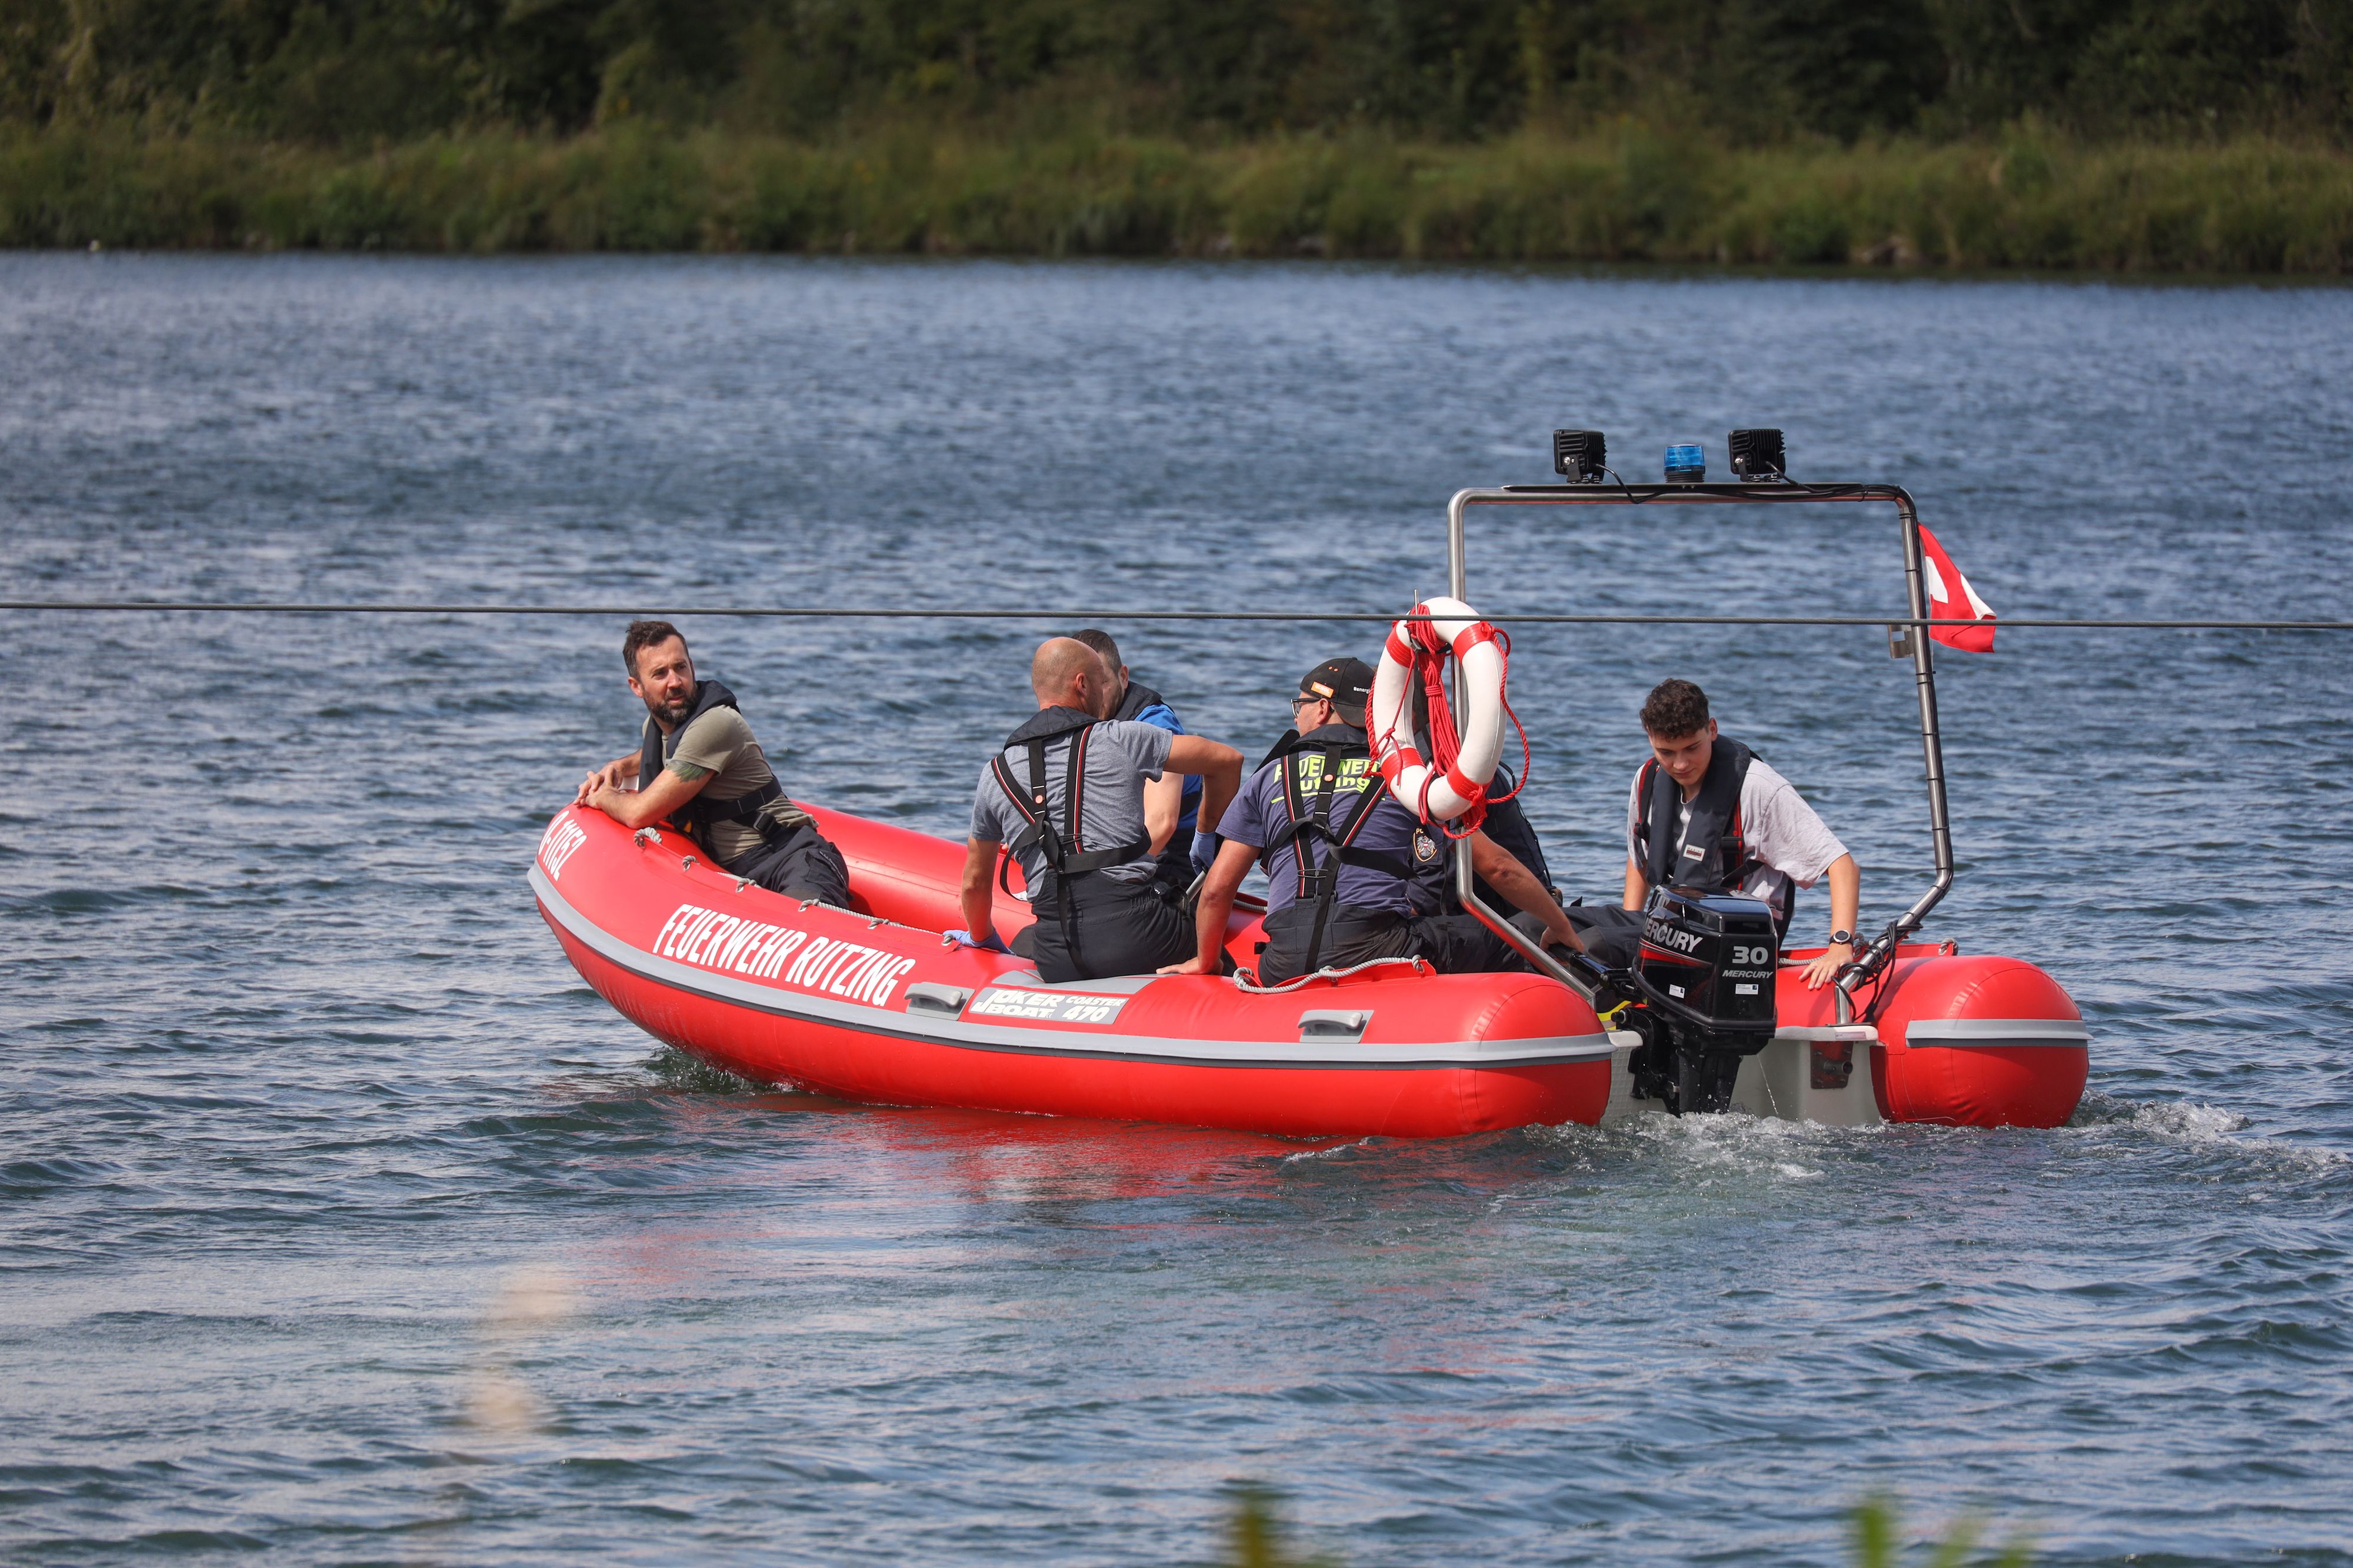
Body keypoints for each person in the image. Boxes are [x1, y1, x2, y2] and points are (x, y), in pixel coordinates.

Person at [1173, 657, 1582, 987]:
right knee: (1519, 930)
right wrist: (1560, 927)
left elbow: (1216, 891)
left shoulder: (1268, 777)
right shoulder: (1407, 780)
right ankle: (1559, 1016)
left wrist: (1205, 962)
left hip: (1282, 963)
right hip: (1377, 950)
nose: (1297, 717)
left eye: (1299, 706)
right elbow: (1498, 867)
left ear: (1322, 708)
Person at [959, 638, 1243, 983]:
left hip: (1056, 953)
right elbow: (1229, 760)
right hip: (1141, 937)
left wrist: (983, 939)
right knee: (1223, 972)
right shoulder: (1126, 737)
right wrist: (1207, 835)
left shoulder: (996, 772)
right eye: (1100, 681)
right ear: (1082, 684)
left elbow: (974, 883)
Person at [1567, 678, 1860, 990]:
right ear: (1650, 739)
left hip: (1734, 938)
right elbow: (1640, 858)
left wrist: (1840, 945)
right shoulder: (1647, 780)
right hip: (1669, 924)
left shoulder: (1759, 788)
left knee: (1593, 946)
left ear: (1712, 730)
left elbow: (1842, 864)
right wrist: (1632, 925)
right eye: (1667, 752)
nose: (1680, 764)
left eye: (1692, 748)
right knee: (1541, 925)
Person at [576, 619, 851, 906]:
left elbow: (638, 813)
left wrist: (605, 796)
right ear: (637, 686)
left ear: (692, 667)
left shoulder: (715, 724)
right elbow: (662, 751)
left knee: (801, 939)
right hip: (736, 874)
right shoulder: (659, 727)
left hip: (789, 860)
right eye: (660, 674)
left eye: (680, 667)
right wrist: (620, 767)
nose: (675, 682)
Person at [1071, 628, 1199, 893]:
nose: (1094, 695)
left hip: (1170, 859)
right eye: (1085, 686)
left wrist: (1102, 878)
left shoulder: (1157, 726)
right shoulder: (1082, 721)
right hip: (1112, 846)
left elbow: (1162, 822)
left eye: (1103, 682)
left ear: (1123, 677)